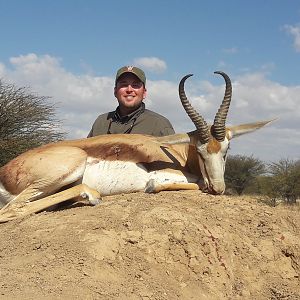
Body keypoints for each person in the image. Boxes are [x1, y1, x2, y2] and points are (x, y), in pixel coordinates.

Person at [87, 66, 175, 137]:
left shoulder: (159, 124)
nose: (129, 89)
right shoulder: (101, 121)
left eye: (135, 85)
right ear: (115, 91)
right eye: (124, 85)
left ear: (144, 93)